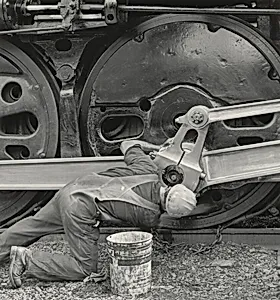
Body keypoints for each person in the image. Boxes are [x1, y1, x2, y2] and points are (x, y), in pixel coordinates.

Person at [0, 139, 197, 288]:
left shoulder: (148, 168)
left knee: (35, 224)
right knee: (84, 268)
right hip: (79, 209)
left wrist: (154, 148)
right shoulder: (150, 216)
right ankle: (26, 260)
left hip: (75, 187)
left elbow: (128, 144)